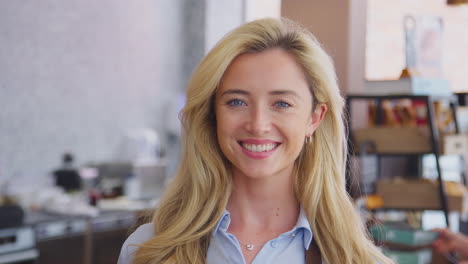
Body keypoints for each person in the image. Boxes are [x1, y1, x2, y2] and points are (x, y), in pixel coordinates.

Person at [118, 18, 394, 264]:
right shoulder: (147, 250)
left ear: (314, 118)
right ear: (212, 114)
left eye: (282, 103)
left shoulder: (359, 260)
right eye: (237, 101)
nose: (258, 125)